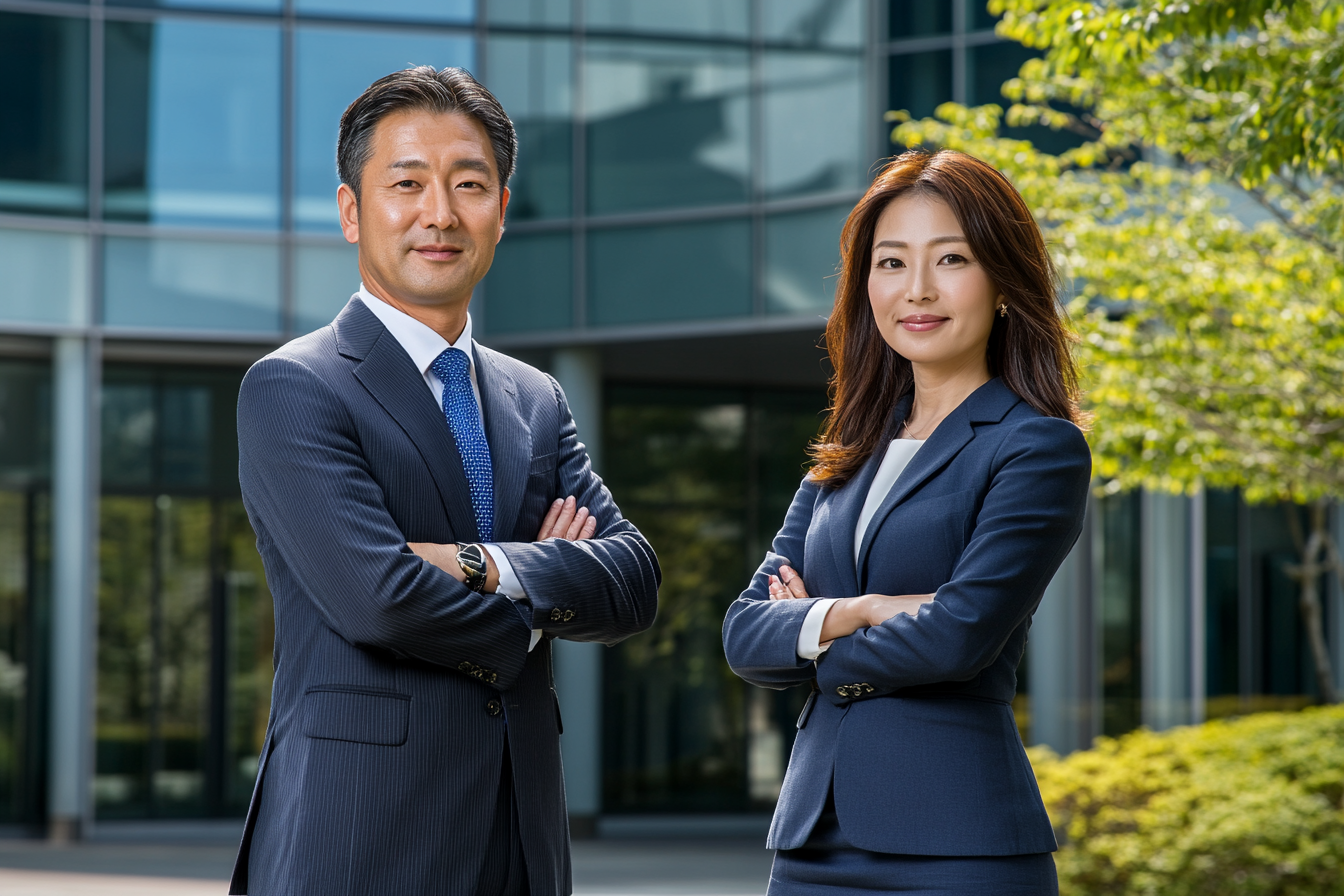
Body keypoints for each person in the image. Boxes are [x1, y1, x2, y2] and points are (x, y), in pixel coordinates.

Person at [229, 66, 660, 896]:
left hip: (521, 832)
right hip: (360, 834)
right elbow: (378, 595)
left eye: (470, 184)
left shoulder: (536, 398)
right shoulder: (295, 388)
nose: (441, 213)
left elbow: (634, 581)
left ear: (501, 211)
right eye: (407, 184)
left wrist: (484, 566)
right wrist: (541, 611)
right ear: (353, 211)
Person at [722, 149, 1092, 895]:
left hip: (958, 849)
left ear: (1004, 283)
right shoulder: (845, 455)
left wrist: (812, 633)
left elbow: (959, 636)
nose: (917, 289)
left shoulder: (1036, 447)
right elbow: (742, 634)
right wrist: (861, 611)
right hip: (810, 850)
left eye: (950, 258)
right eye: (891, 263)